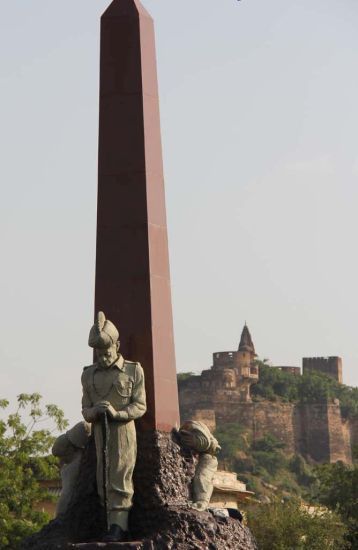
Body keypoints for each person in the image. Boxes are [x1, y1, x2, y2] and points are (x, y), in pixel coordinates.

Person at [81, 311, 146, 542]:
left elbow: (140, 405)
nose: (103, 356)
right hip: (100, 432)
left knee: (120, 477)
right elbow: (85, 410)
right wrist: (95, 412)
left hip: (122, 431)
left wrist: (117, 413)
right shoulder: (88, 375)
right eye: (99, 353)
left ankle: (120, 526)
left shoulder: (133, 370)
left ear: (117, 346)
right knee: (103, 479)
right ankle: (108, 524)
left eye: (107, 351)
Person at [52, 421, 91, 517]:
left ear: (70, 450)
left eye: (62, 456)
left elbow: (66, 495)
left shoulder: (73, 467)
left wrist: (58, 517)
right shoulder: (80, 462)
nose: (61, 461)